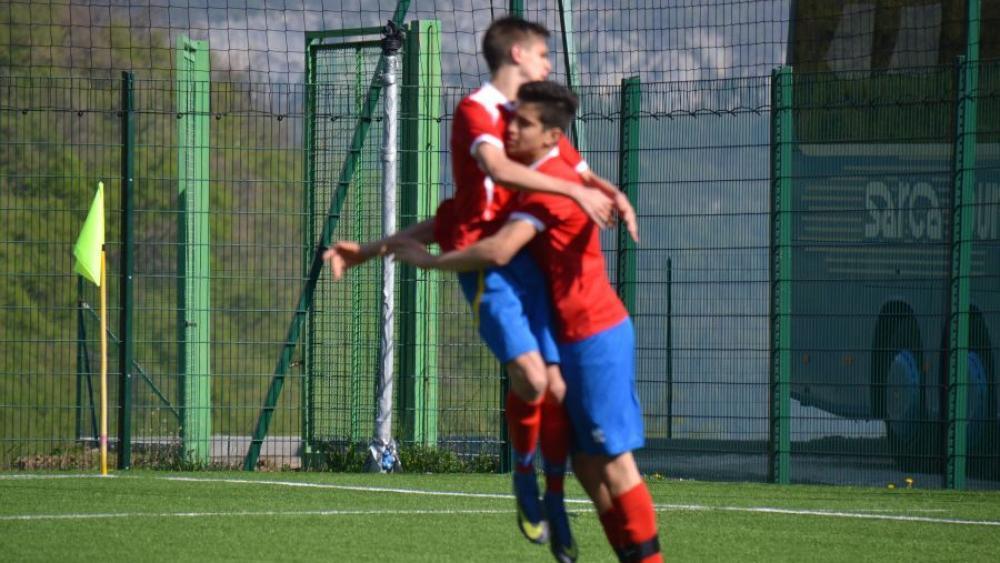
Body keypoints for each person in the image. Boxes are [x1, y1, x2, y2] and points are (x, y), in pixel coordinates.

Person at [323, 16, 636, 562]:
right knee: (533, 377)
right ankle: (521, 476)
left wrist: (609, 190)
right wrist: (576, 190)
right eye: (542, 54)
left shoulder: (535, 118)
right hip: (487, 269)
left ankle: (555, 500)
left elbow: (568, 170)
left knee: (558, 389)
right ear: (517, 53)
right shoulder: (479, 112)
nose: (547, 63)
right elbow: (493, 180)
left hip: (528, 265)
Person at [391, 81, 662, 563]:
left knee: (617, 465)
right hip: (568, 337)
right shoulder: (532, 179)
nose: (511, 128)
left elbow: (498, 248)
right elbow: (463, 219)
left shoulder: (550, 187)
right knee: (586, 464)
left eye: (524, 123)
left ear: (553, 136)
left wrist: (429, 263)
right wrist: (381, 246)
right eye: (510, 117)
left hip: (597, 336)